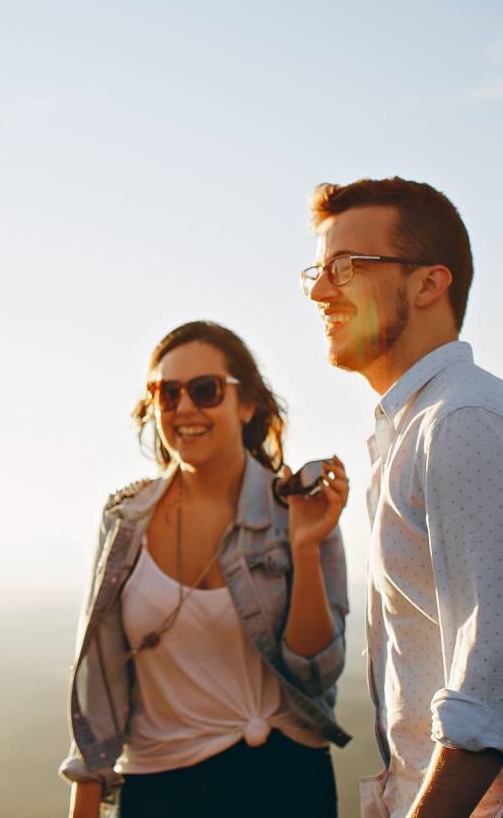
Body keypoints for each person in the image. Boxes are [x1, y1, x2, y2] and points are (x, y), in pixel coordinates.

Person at [304, 177, 503, 817]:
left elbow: (495, 694)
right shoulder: (418, 427)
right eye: (319, 269)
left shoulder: (465, 421)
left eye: (346, 266)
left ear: (428, 283)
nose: (320, 289)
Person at [60, 321, 351, 818]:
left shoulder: (297, 509)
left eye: (205, 390)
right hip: (159, 790)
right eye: (166, 393)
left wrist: (305, 548)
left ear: (247, 403)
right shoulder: (124, 521)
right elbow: (100, 689)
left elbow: (316, 671)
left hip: (286, 785)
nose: (185, 408)